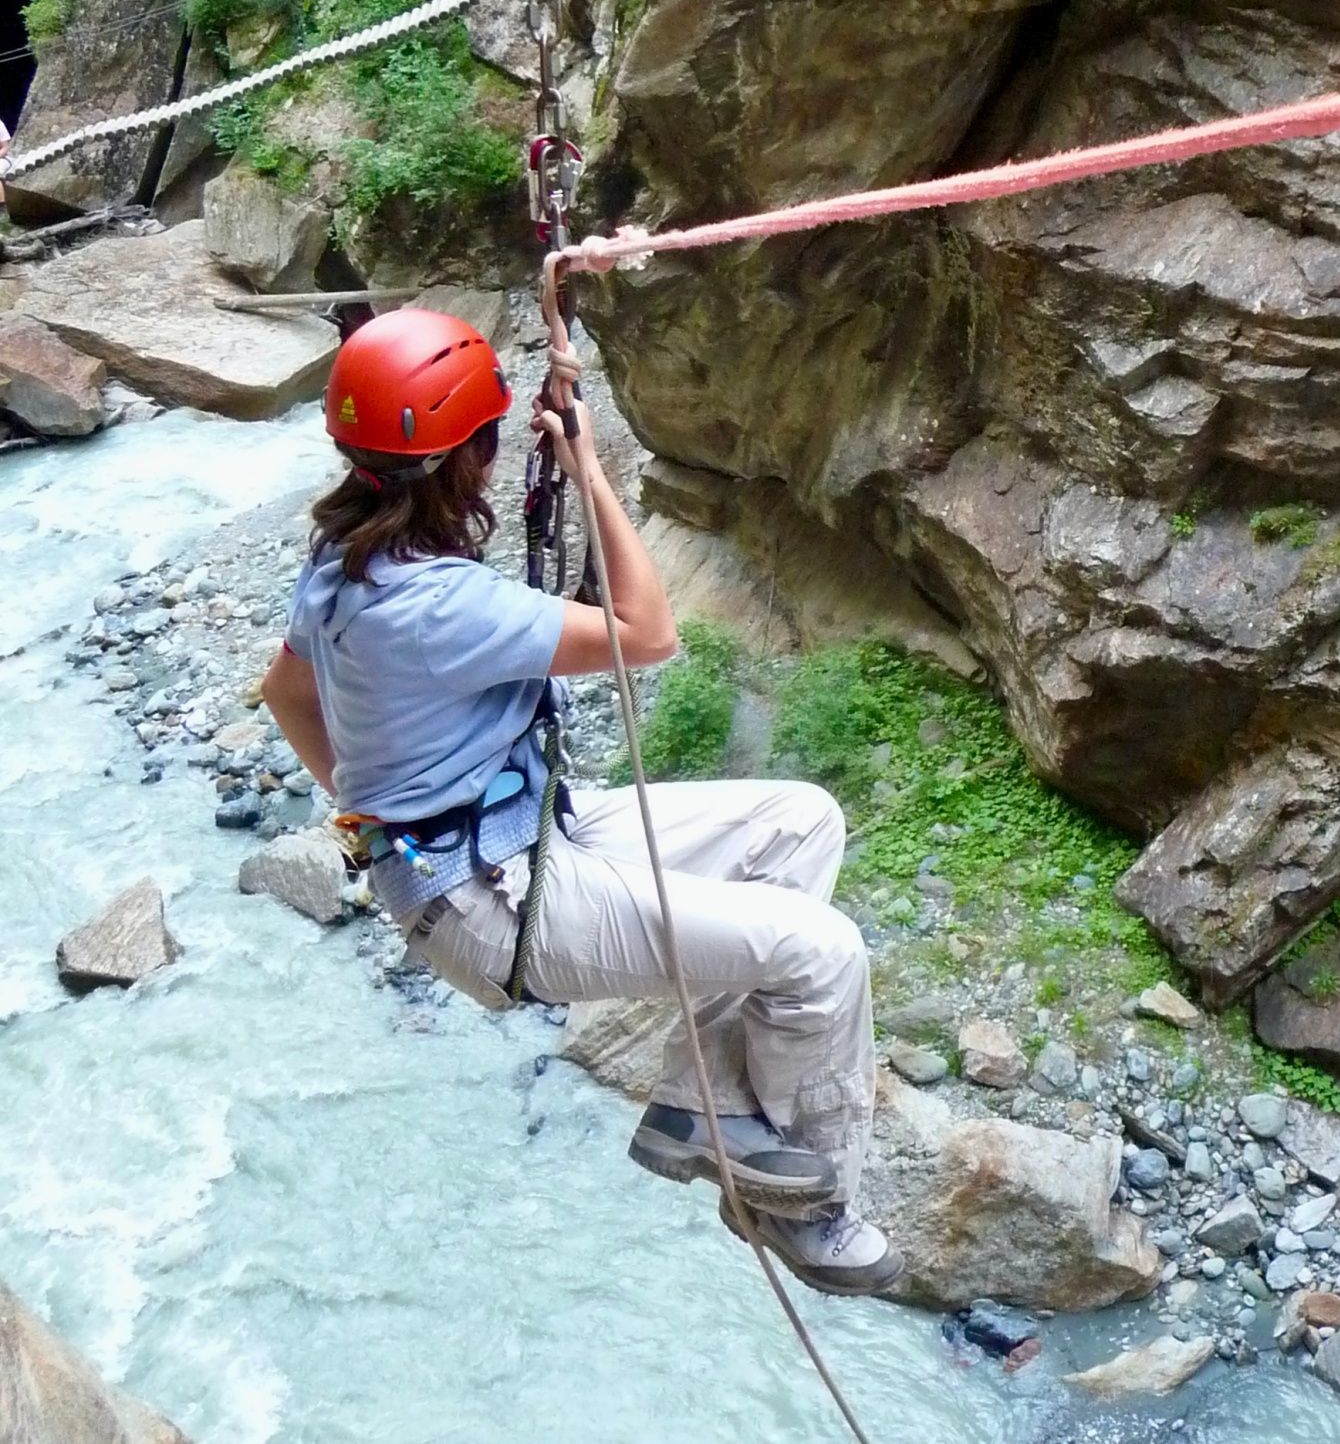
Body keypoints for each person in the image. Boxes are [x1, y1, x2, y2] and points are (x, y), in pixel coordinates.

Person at [261, 307, 902, 1296]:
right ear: (469, 455)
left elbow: (287, 693)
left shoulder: (339, 565)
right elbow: (647, 632)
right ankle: (810, 1210)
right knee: (823, 953)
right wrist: (592, 467)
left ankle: (711, 1110)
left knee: (800, 822)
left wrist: (375, 812)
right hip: (490, 901)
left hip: (515, 835)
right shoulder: (437, 603)